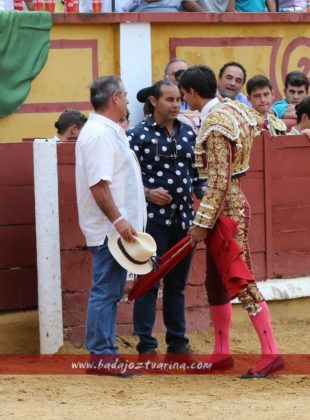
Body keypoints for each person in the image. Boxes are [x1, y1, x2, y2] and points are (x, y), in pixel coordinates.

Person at [179, 65, 284, 378]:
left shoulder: (215, 123)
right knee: (215, 281)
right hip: (227, 206)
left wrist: (202, 222)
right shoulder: (234, 107)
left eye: (184, 93)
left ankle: (271, 353)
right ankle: (221, 353)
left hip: (227, 211)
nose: (184, 98)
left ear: (192, 93)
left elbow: (219, 180)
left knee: (242, 278)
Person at [127, 80, 205, 356]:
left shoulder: (188, 134)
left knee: (176, 284)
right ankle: (146, 345)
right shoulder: (136, 135)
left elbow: (197, 175)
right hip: (152, 220)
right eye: (169, 100)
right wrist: (147, 192)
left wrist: (208, 199)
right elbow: (126, 179)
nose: (175, 105)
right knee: (148, 281)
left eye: (178, 100)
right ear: (153, 101)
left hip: (184, 218)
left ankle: (177, 343)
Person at [75, 76, 147, 362]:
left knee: (111, 290)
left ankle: (105, 352)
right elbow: (99, 185)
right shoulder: (100, 134)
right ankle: (102, 354)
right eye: (126, 95)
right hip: (109, 230)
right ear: (115, 98)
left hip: (114, 229)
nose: (128, 100)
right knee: (106, 291)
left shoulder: (106, 131)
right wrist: (118, 221)